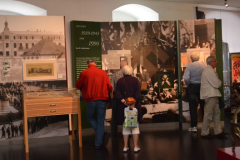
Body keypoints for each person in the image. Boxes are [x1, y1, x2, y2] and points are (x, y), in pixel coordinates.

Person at [75, 58, 113, 148]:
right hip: (102, 100)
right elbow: (109, 86)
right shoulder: (103, 72)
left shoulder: (84, 73)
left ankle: (101, 136)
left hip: (91, 100)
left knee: (89, 117)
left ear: (88, 64)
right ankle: (99, 141)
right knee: (100, 121)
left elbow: (77, 86)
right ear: (95, 64)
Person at [200, 56, 226, 138]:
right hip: (210, 95)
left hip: (213, 95)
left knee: (216, 114)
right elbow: (217, 84)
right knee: (209, 115)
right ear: (210, 62)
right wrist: (219, 81)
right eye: (215, 61)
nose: (216, 62)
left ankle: (218, 131)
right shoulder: (209, 71)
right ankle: (204, 133)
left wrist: (218, 81)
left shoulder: (210, 70)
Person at [183, 52, 206, 133]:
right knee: (203, 106)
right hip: (202, 87)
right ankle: (205, 127)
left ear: (191, 59)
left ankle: (194, 126)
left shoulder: (189, 66)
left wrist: (188, 84)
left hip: (192, 86)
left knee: (192, 107)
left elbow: (186, 78)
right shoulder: (204, 65)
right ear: (199, 58)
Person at [110, 60, 127, 137]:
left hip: (116, 98)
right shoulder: (129, 75)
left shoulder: (115, 75)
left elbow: (111, 87)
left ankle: (114, 134)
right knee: (126, 115)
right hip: (125, 98)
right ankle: (126, 133)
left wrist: (112, 97)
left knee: (114, 116)